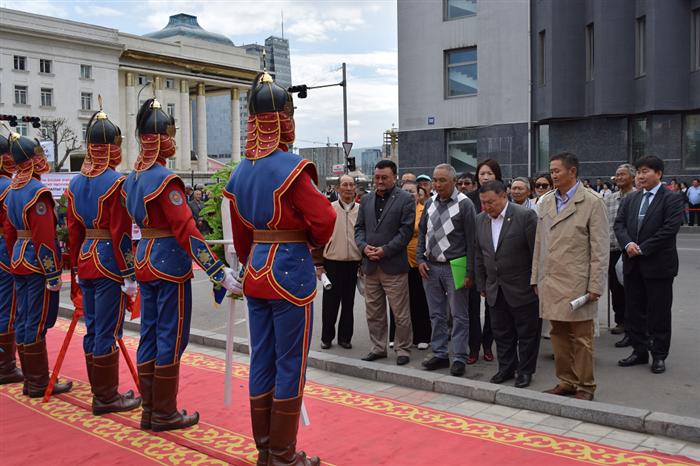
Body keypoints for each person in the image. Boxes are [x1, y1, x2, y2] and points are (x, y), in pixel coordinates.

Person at [224, 71, 335, 466]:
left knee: (262, 360)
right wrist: (304, 240)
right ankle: (283, 454)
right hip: (289, 270)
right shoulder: (292, 166)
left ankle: (265, 449)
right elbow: (324, 220)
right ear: (285, 117)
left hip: (256, 272)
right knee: (290, 363)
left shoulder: (239, 171)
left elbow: (240, 235)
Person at [123, 98, 239, 432]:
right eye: (170, 134)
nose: (173, 141)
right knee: (171, 338)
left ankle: (150, 410)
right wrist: (217, 271)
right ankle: (164, 413)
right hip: (168, 263)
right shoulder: (166, 179)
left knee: (149, 334)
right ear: (158, 137)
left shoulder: (132, 178)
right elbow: (185, 229)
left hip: (145, 257)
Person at [65, 105, 141, 415]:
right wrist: (129, 274)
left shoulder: (75, 184)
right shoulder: (116, 182)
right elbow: (120, 232)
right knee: (108, 330)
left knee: (93, 327)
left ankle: (100, 391)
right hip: (109, 261)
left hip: (86, 258)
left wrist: (75, 267)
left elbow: (73, 232)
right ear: (112, 147)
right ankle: (106, 397)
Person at [532, 152, 609, 401]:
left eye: (557, 171)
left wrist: (595, 284)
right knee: (558, 335)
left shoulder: (592, 202)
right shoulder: (544, 202)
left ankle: (585, 386)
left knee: (582, 338)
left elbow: (600, 249)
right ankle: (566, 381)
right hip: (551, 280)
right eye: (551, 171)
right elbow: (539, 243)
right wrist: (535, 277)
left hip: (578, 282)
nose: (553, 175)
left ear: (572, 171)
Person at [2, 133, 72, 397]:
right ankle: (39, 382)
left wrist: (14, 257)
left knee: (22, 318)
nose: (43, 160)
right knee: (36, 321)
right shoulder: (37, 191)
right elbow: (44, 238)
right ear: (32, 159)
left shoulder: (13, 189)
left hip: (19, 258)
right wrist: (53, 272)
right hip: (36, 264)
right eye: (39, 156)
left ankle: (31, 379)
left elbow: (10, 232)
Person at [615, 156, 684, 375]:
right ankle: (639, 350)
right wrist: (628, 244)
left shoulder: (671, 199)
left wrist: (642, 247)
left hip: (658, 266)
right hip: (633, 264)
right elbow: (619, 224)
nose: (641, 176)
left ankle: (659, 355)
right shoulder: (631, 199)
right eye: (639, 172)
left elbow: (670, 229)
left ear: (658, 174)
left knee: (659, 312)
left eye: (645, 171)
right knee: (635, 311)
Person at [475, 180, 540, 388]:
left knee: (527, 333)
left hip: (522, 287)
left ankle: (525, 371)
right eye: (483, 203)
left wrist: (535, 281)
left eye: (491, 202)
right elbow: (479, 255)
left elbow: (536, 254)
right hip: (495, 288)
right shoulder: (480, 220)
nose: (486, 207)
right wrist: (482, 284)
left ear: (504, 196)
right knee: (501, 332)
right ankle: (506, 368)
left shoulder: (525, 217)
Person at [417, 164, 476, 377]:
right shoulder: (430, 202)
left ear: (453, 181)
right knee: (436, 314)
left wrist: (470, 272)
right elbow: (423, 231)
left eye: (442, 180)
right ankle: (440, 353)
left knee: (459, 315)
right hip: (431, 266)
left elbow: (472, 241)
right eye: (435, 180)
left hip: (456, 266)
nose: (437, 184)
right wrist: (419, 258)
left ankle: (459, 356)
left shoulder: (465, 204)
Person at [355, 159, 415, 366]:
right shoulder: (366, 199)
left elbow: (406, 231)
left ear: (394, 177)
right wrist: (363, 247)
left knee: (400, 313)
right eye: (377, 177)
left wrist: (385, 250)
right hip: (370, 266)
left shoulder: (406, 199)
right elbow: (359, 228)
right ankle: (378, 348)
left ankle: (403, 348)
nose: (379, 181)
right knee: (374, 312)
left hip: (393, 265)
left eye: (384, 177)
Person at [318, 175, 361, 350]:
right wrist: (318, 264)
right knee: (330, 303)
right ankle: (326, 337)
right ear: (338, 188)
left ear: (355, 188)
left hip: (353, 263)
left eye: (351, 185)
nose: (348, 188)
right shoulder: (328, 209)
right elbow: (318, 238)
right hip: (332, 262)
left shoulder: (361, 209)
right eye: (345, 185)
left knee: (349, 302)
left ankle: (345, 338)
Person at [465, 159, 500, 363]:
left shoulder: (503, 199)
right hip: (472, 260)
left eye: (489, 173)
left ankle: (488, 345)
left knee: (492, 309)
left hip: (494, 263)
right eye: (482, 173)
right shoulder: (468, 199)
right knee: (470, 307)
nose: (485, 177)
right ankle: (473, 347)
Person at [603, 164, 636, 343]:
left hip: (631, 250)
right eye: (617, 175)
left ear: (632, 177)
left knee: (632, 287)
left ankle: (634, 322)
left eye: (623, 174)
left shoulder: (638, 196)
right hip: (612, 249)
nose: (619, 178)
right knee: (615, 288)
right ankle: (621, 320)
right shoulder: (609, 198)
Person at [0, 135, 22, 385]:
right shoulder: (7, 186)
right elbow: (9, 227)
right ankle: (5, 367)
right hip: (3, 250)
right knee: (7, 306)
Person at [400, 181, 431, 349]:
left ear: (419, 194)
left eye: (412, 191)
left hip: (419, 260)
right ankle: (400, 336)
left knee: (420, 299)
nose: (409, 194)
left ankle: (423, 336)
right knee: (400, 301)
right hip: (399, 260)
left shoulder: (424, 210)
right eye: (405, 191)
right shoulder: (397, 210)